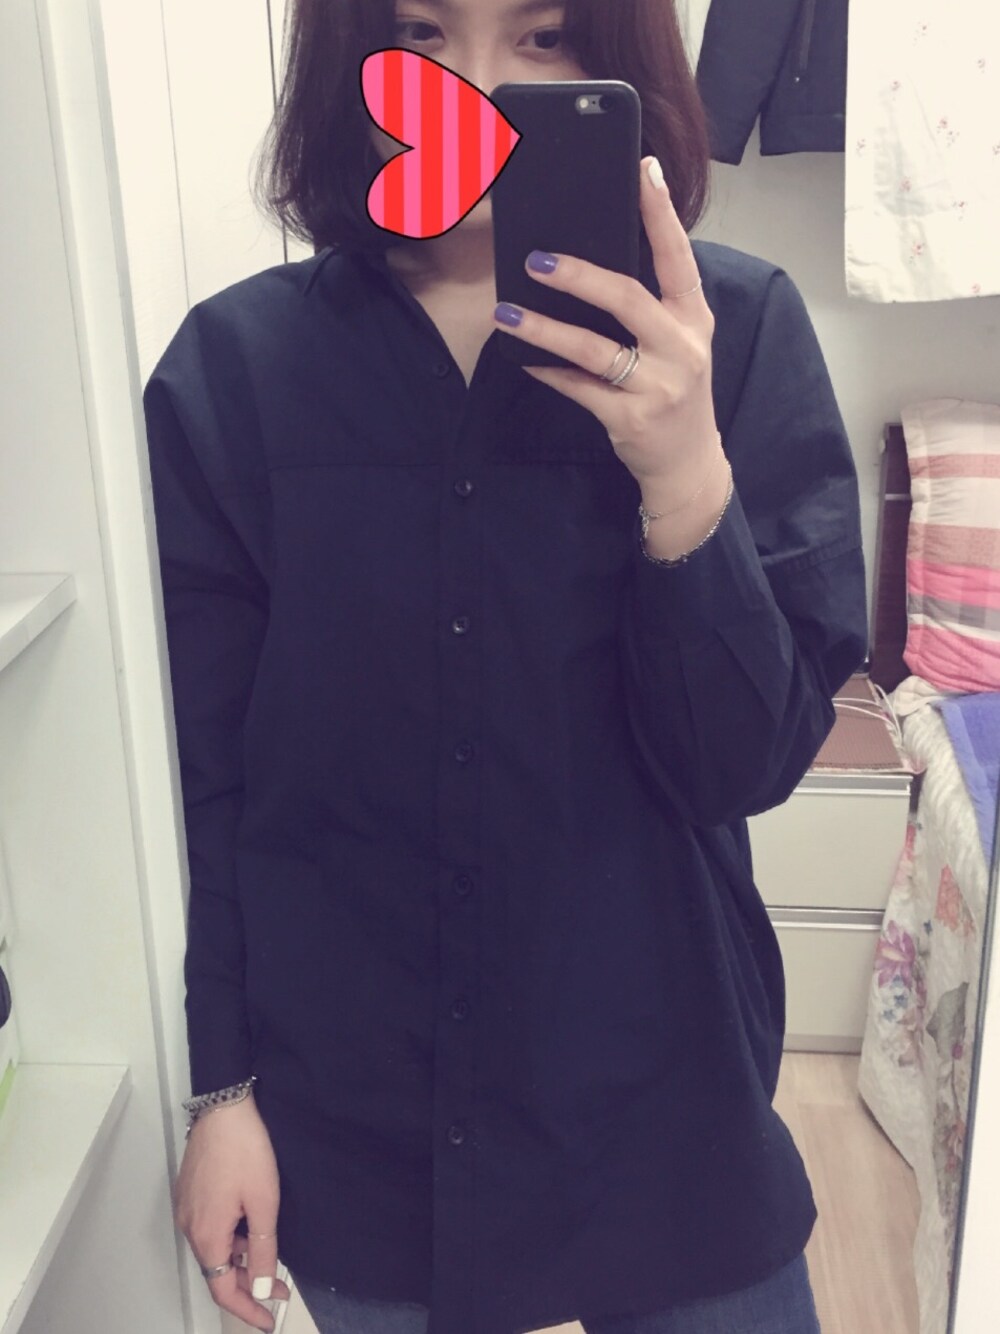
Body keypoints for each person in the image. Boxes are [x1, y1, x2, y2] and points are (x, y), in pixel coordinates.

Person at [146, 1, 868, 1332]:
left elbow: (745, 763)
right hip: (357, 1123)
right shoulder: (234, 375)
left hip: (665, 1109)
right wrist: (221, 1089)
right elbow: (203, 781)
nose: (473, 89)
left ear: (616, 63)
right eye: (421, 34)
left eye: (542, 37)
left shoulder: (738, 335)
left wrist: (684, 479)